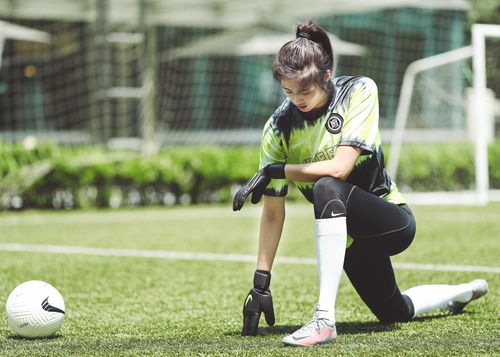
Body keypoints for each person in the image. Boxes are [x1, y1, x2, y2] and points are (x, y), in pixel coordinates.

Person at [232, 20, 489, 347]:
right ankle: (460, 292)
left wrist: (279, 169)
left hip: (391, 222)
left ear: (326, 75)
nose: (296, 99)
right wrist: (261, 283)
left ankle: (324, 319)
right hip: (348, 240)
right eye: (287, 90)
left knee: (326, 186)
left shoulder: (359, 91)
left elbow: (340, 168)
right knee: (394, 311)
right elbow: (271, 213)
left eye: (305, 91)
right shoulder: (277, 128)